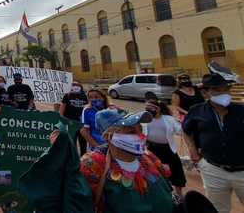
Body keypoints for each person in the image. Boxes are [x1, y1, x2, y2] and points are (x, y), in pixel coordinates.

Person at [80, 109, 174, 213]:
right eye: (132, 132)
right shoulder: (92, 165)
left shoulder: (149, 156)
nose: (141, 136)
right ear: (108, 136)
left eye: (141, 129)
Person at [182, 73, 244, 213]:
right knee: (217, 209)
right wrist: (192, 150)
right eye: (217, 90)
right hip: (213, 169)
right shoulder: (196, 111)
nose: (224, 93)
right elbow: (186, 130)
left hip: (242, 170)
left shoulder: (241, 110)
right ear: (205, 92)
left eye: (226, 89)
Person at [143, 96, 187, 198]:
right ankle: (162, 194)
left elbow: (180, 131)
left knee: (176, 172)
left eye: (151, 108)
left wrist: (183, 124)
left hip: (167, 150)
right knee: (156, 173)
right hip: (151, 150)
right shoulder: (145, 119)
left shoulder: (169, 119)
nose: (148, 110)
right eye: (147, 108)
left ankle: (179, 194)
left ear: (159, 109)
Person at [60, 82, 88, 155]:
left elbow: (88, 108)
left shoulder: (84, 96)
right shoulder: (67, 96)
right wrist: (64, 122)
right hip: (71, 124)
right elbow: (61, 111)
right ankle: (73, 159)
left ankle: (83, 159)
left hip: (81, 124)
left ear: (81, 87)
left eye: (77, 86)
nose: (75, 87)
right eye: (73, 85)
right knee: (72, 143)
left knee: (83, 143)